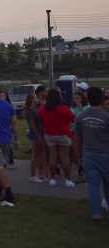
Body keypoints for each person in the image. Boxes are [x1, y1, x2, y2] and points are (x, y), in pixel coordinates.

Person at [74, 87, 109, 225]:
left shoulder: (81, 116)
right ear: (102, 99)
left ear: (87, 98)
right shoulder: (106, 116)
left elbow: (76, 138)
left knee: (93, 187)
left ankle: (96, 216)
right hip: (106, 155)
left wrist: (77, 154)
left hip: (88, 155)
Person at [38, 88, 76, 187]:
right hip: (63, 134)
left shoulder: (43, 108)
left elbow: (40, 118)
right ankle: (68, 180)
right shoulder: (63, 108)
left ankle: (53, 179)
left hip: (49, 135)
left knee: (52, 157)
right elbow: (73, 118)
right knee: (64, 157)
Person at [24, 93, 50, 183]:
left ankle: (46, 175)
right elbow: (33, 125)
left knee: (43, 155)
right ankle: (32, 175)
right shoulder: (31, 110)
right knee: (35, 155)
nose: (37, 98)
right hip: (36, 135)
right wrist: (38, 135)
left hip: (38, 134)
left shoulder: (34, 109)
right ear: (31, 100)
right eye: (35, 97)